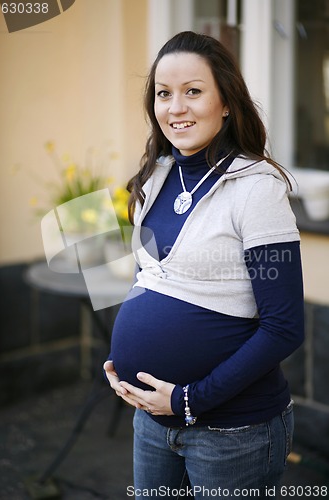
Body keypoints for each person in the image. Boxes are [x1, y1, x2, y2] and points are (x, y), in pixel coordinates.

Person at [104, 31, 304, 499]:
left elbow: (285, 327)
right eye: (163, 93)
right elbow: (150, 278)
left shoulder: (257, 189)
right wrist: (124, 363)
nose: (176, 108)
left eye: (193, 91)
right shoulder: (155, 176)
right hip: (151, 420)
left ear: (227, 102)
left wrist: (189, 400)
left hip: (232, 433)